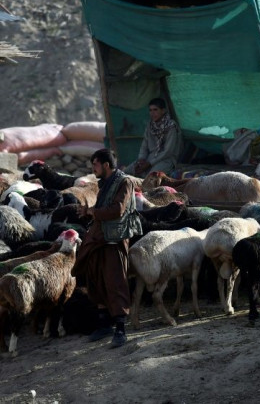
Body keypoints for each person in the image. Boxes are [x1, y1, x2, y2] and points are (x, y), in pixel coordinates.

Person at [72, 148, 142, 348]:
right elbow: (102, 211)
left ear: (105, 165)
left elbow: (118, 210)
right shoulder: (105, 184)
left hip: (114, 240)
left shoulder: (124, 182)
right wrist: (88, 212)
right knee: (96, 280)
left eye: (95, 164)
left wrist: (93, 211)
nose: (93, 168)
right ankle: (104, 324)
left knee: (115, 281)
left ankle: (120, 330)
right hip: (99, 238)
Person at [124, 97, 182, 178]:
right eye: (150, 110)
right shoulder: (150, 125)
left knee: (150, 179)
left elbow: (167, 151)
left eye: (155, 110)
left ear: (163, 111)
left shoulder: (171, 126)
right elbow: (144, 145)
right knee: (126, 172)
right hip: (149, 159)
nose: (152, 113)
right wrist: (141, 160)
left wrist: (149, 163)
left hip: (166, 160)